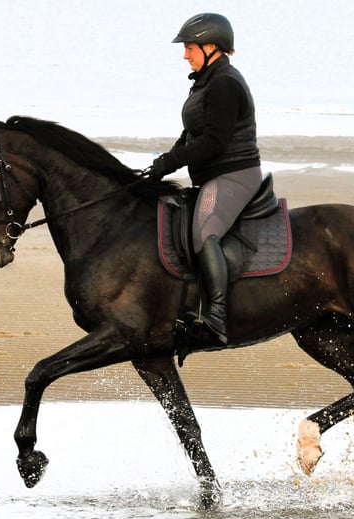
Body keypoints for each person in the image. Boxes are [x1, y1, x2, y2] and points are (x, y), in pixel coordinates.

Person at [147, 13, 262, 346]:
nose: (185, 55)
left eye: (189, 48)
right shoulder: (206, 81)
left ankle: (216, 315)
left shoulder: (225, 83)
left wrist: (172, 161)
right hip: (212, 176)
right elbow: (189, 135)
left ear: (212, 46)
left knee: (205, 229)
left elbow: (214, 142)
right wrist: (161, 167)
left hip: (234, 176)